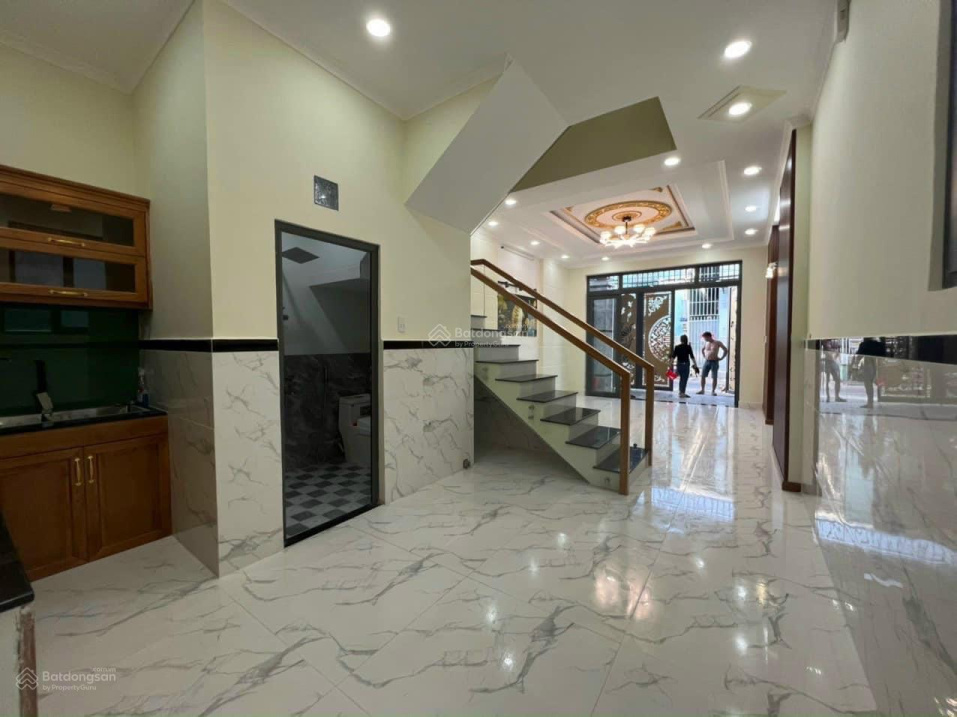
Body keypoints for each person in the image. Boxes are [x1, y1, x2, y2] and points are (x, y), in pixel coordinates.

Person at [852, 337, 887, 409]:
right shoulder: (879, 344)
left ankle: (870, 403)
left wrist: (854, 364)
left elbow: (859, 356)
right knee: (878, 384)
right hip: (879, 367)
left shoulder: (864, 344)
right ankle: (875, 400)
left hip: (869, 366)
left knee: (868, 385)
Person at [697, 331, 728, 396]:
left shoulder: (717, 342)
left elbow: (725, 350)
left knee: (714, 377)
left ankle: (713, 391)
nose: (704, 339)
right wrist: (704, 356)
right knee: (703, 376)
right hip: (707, 361)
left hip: (714, 362)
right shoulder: (706, 343)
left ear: (709, 337)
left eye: (705, 337)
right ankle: (702, 390)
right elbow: (702, 350)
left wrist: (722, 358)